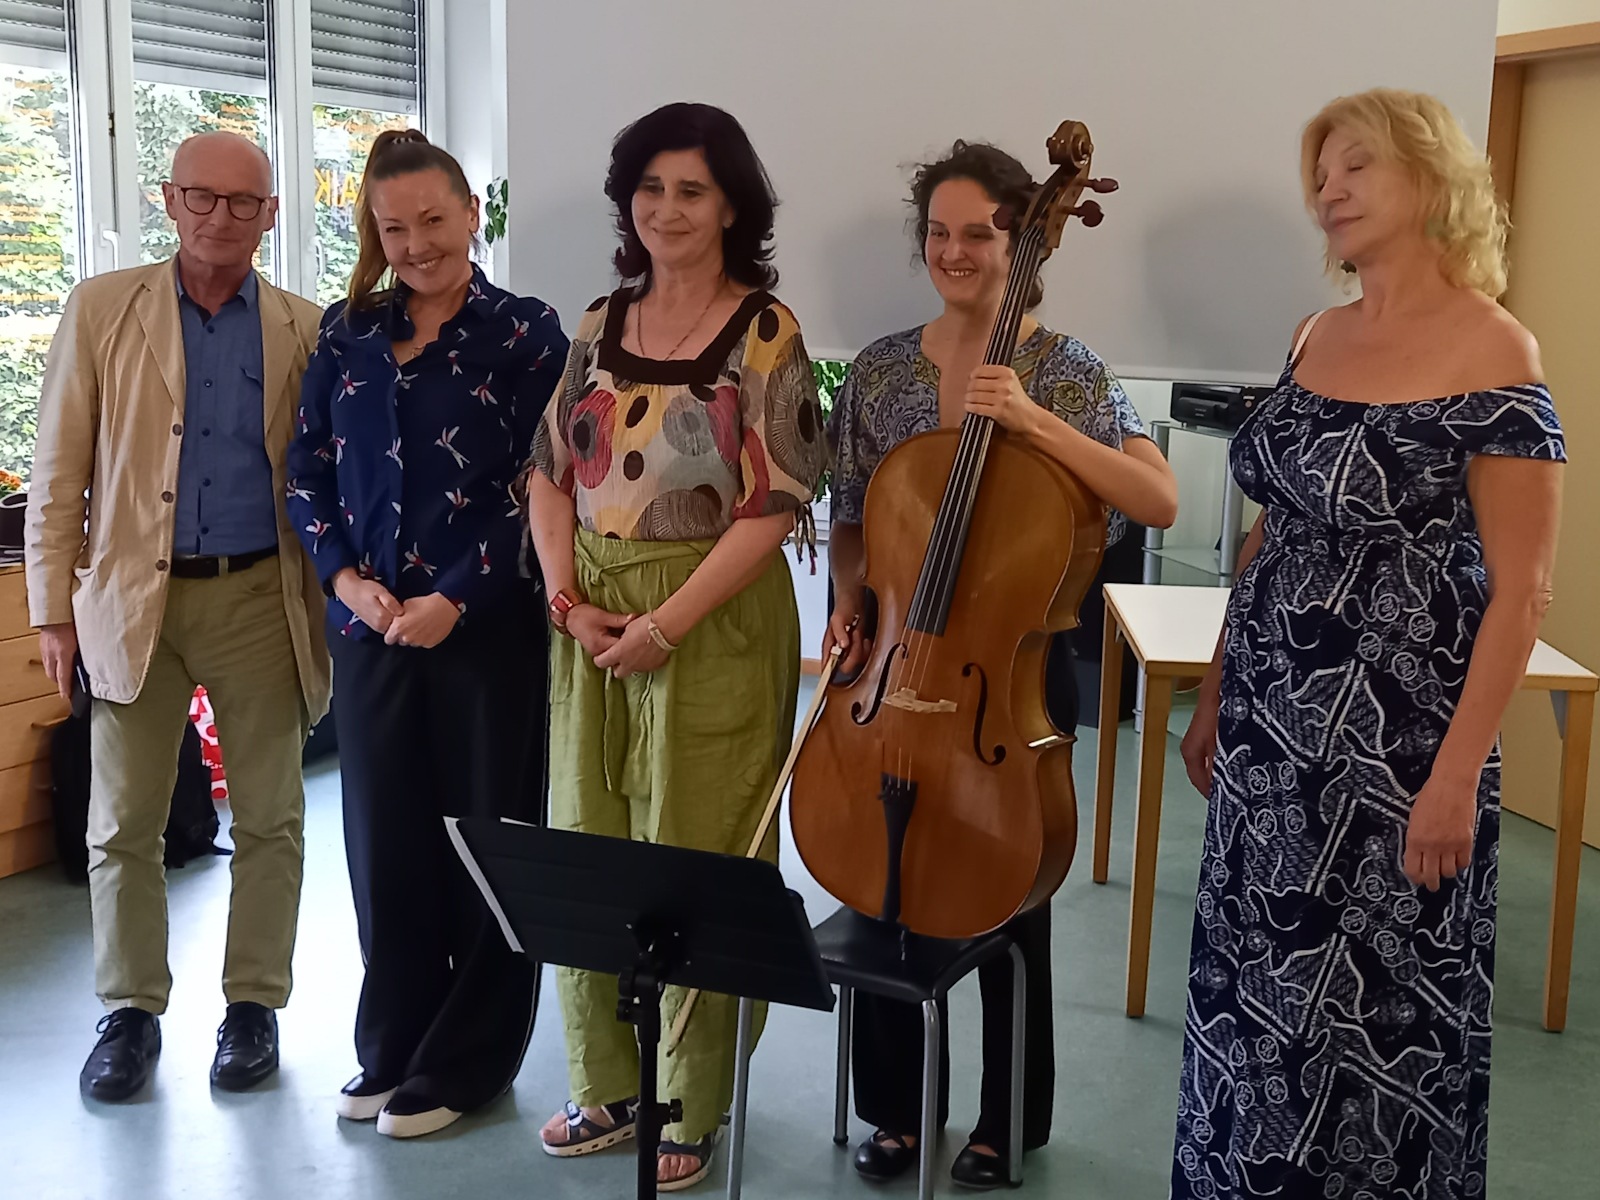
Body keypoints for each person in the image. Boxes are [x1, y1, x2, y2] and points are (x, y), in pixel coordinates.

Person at [1170, 88, 1565, 1200]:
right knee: (1254, 996)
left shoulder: (1497, 349)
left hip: (1398, 755)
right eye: (1320, 173)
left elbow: (1522, 595)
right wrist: (1214, 696)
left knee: (1374, 1019)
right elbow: (1268, 538)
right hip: (1268, 736)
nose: (1327, 191)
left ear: (1431, 181)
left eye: (1355, 167)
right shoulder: (1314, 334)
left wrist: (1455, 779)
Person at [824, 140, 1179, 1188]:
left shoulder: (1066, 371)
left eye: (977, 233)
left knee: (1009, 890)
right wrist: (850, 600)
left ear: (1021, 241)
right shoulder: (881, 368)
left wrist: (1027, 418)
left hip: (1009, 672)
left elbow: (1156, 500)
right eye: (937, 232)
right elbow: (853, 516)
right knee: (883, 886)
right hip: (899, 667)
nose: (953, 251)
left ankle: (1006, 1118)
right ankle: (893, 1109)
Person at [525, 101, 826, 1191]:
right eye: (650, 189)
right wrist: (569, 603)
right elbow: (548, 474)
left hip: (712, 623)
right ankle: (606, 1083)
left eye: (691, 190)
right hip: (592, 622)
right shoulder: (598, 321)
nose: (667, 209)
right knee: (588, 844)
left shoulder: (766, 331)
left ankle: (689, 1098)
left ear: (732, 205)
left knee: (700, 853)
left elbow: (774, 505)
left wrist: (667, 623)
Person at [24, 131, 329, 1101]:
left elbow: (322, 476)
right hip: (130, 599)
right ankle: (128, 1012)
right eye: (201, 196)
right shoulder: (101, 309)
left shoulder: (304, 328)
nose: (219, 217)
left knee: (272, 818)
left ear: (271, 215)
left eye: (243, 202)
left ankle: (253, 1006)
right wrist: (51, 610)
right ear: (169, 199)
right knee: (121, 821)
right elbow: (58, 471)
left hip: (259, 597)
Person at [286, 130, 566, 1139]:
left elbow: (547, 485)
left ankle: (470, 1059)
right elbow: (307, 470)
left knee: (487, 839)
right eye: (394, 227)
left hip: (484, 630)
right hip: (370, 633)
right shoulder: (347, 331)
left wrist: (457, 595)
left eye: (435, 220)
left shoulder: (526, 331)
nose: (416, 244)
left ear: (472, 213)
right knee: (384, 844)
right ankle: (394, 1045)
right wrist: (344, 580)